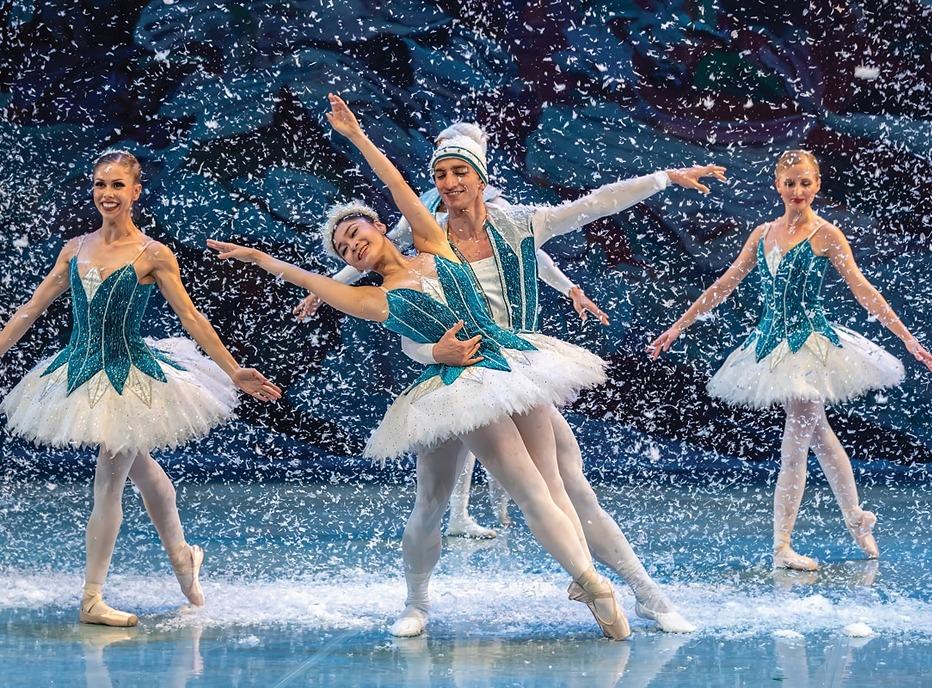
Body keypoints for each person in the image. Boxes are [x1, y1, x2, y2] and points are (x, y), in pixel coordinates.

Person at [207, 93, 630, 640]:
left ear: (383, 229)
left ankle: (591, 584)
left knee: (541, 484)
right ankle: (417, 601)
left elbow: (398, 189)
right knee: (431, 503)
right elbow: (312, 283)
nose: (353, 246)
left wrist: (359, 138)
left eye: (358, 234)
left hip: (499, 369)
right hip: (449, 390)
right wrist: (262, 260)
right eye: (343, 247)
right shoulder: (373, 298)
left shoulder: (432, 240)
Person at [366, 117, 724, 634]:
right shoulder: (424, 244)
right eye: (441, 174)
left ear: (481, 177)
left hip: (514, 369)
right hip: (456, 381)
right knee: (431, 501)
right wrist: (433, 353)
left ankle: (645, 591)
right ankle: (417, 603)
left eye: (459, 172)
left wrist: (663, 178)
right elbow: (396, 307)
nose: (450, 183)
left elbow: (594, 204)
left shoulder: (517, 225)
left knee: (572, 487)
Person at [0, 151, 282, 627]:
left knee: (108, 480)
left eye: (116, 185)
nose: (106, 193)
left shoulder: (152, 254)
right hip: (82, 368)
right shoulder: (75, 248)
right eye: (99, 184)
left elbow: (191, 317)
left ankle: (92, 598)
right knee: (143, 470)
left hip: (130, 376)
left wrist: (234, 371)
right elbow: (30, 309)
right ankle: (182, 559)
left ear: (135, 191)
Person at [294, 122, 608, 540]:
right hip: (456, 339)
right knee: (470, 442)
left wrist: (570, 287)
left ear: (479, 165)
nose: (448, 175)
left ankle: (575, 551)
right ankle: (470, 517)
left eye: (460, 162)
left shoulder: (497, 209)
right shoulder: (430, 213)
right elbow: (375, 246)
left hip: (508, 346)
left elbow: (530, 251)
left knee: (551, 467)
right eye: (442, 162)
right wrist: (331, 284)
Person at [649, 149, 932, 570]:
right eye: (790, 183)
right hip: (769, 346)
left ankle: (782, 545)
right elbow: (724, 284)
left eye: (805, 182)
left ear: (817, 185)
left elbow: (862, 288)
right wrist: (678, 326)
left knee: (796, 444)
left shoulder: (826, 234)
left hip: (809, 345)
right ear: (778, 186)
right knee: (818, 434)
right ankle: (855, 517)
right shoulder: (763, 233)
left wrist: (906, 337)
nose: (797, 190)